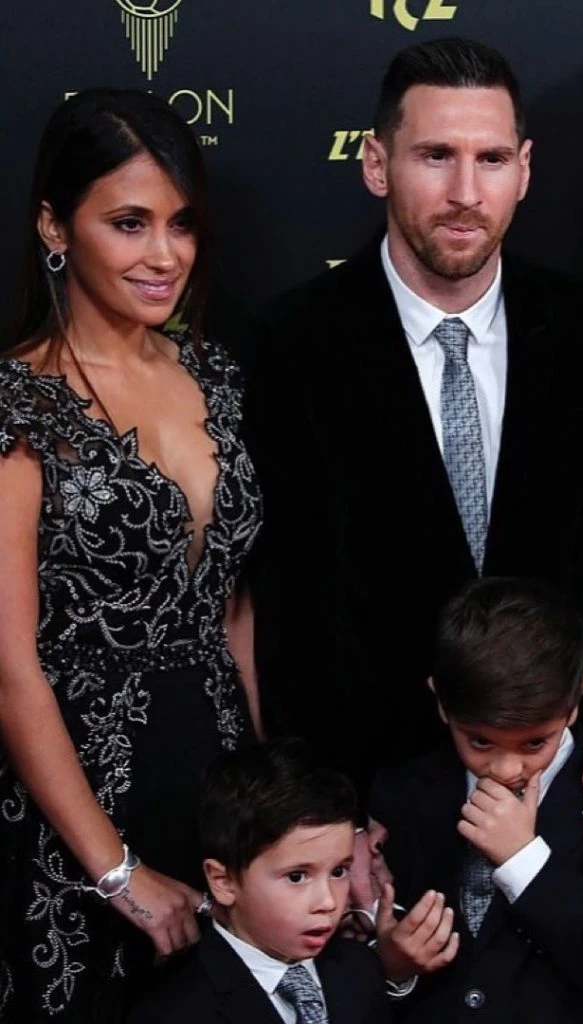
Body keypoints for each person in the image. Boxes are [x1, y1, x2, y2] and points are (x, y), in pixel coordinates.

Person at [243, 37, 583, 876]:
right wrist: (330, 813)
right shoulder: (293, 343)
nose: (466, 193)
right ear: (377, 164)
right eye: (436, 156)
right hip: (377, 821)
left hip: (569, 801)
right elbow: (293, 615)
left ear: (526, 169)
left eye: (492, 159)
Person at [0, 89, 262, 1022]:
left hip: (219, 792)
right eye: (129, 223)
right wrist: (113, 870)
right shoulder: (18, 404)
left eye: (181, 224)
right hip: (75, 814)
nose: (164, 255)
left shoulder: (217, 377)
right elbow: (10, 669)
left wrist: (272, 801)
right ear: (54, 226)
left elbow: (234, 608)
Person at [370, 577, 583, 1023]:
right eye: (480, 741)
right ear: (442, 704)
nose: (507, 768)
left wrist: (524, 861)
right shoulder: (402, 793)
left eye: (534, 743)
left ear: (575, 702)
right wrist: (394, 969)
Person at [127, 739, 392, 1023]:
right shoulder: (175, 1013)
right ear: (223, 881)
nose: (328, 901)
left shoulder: (360, 968)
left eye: (338, 871)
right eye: (297, 877)